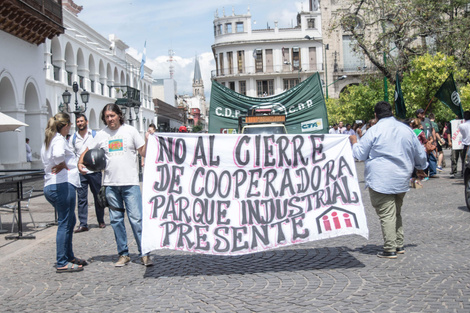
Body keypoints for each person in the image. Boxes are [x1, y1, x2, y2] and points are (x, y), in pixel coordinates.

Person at [349, 101, 427, 259]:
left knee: (387, 214)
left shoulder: (374, 130)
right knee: (396, 212)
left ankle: (390, 248)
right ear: (391, 112)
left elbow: (360, 154)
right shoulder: (406, 129)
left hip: (381, 178)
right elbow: (419, 152)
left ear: (376, 115)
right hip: (401, 177)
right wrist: (420, 167)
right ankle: (398, 244)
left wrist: (355, 142)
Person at [78, 103, 153, 267]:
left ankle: (144, 253)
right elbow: (87, 149)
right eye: (107, 117)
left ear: (119, 115)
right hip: (110, 185)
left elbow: (143, 152)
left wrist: (148, 140)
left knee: (136, 220)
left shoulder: (131, 131)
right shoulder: (102, 135)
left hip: (130, 184)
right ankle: (123, 254)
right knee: (116, 221)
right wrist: (80, 161)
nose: (110, 119)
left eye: (112, 115)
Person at [41, 112, 86, 273]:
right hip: (61, 184)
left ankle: (69, 256)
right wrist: (62, 163)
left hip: (51, 185)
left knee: (70, 221)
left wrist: (61, 163)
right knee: (65, 223)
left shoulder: (48, 140)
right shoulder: (59, 139)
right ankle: (62, 261)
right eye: (70, 125)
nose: (70, 128)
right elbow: (59, 155)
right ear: (65, 125)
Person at [70, 113, 105, 233]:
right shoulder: (73, 137)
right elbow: (71, 153)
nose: (80, 123)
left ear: (87, 122)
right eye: (78, 121)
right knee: (81, 198)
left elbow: (102, 149)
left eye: (81, 121)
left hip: (94, 171)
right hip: (81, 172)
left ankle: (100, 220)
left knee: (98, 196)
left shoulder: (94, 135)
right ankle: (83, 223)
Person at [416, 109, 437, 178]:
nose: (423, 114)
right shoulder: (416, 121)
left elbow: (433, 130)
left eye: (423, 112)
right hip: (421, 143)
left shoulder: (427, 120)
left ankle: (433, 173)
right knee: (424, 158)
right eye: (421, 113)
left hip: (429, 141)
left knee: (432, 157)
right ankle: (424, 173)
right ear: (418, 114)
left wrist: (434, 140)